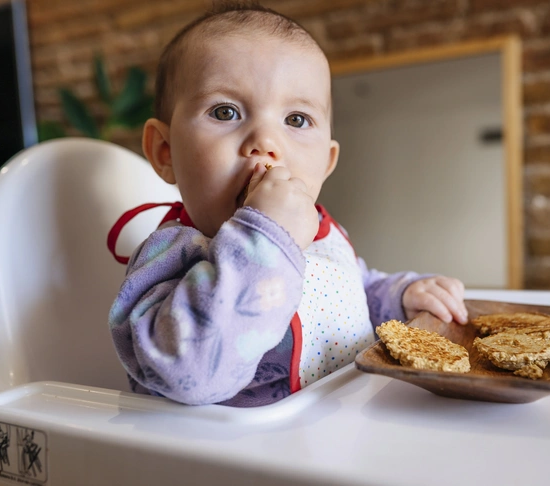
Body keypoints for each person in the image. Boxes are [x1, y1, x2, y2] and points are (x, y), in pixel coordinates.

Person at [107, 2, 468, 407]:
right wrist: (265, 240)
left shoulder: (322, 233)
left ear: (326, 163)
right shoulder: (169, 256)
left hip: (342, 436)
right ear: (165, 151)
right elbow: (189, 373)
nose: (266, 142)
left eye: (296, 120)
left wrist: (399, 296)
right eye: (225, 112)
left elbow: (347, 292)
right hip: (234, 459)